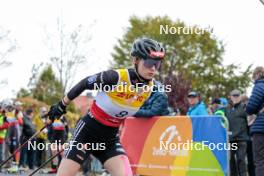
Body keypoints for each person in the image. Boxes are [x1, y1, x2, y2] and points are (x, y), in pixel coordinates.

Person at [46, 37, 166, 176]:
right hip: (87, 134)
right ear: (136, 60)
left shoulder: (152, 88)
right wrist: (62, 105)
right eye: (149, 62)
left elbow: (158, 108)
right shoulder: (115, 77)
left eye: (157, 64)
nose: (152, 68)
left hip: (109, 140)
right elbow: (85, 83)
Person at [226, 89, 249, 176]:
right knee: (231, 161)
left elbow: (249, 121)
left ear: (240, 97)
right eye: (234, 95)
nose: (235, 97)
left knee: (241, 160)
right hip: (230, 139)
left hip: (241, 139)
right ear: (230, 97)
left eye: (237, 95)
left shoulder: (244, 107)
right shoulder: (226, 108)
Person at [246, 66, 264, 176]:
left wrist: (248, 109)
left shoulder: (259, 85)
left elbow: (250, 107)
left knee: (260, 161)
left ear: (257, 75)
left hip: (261, 128)